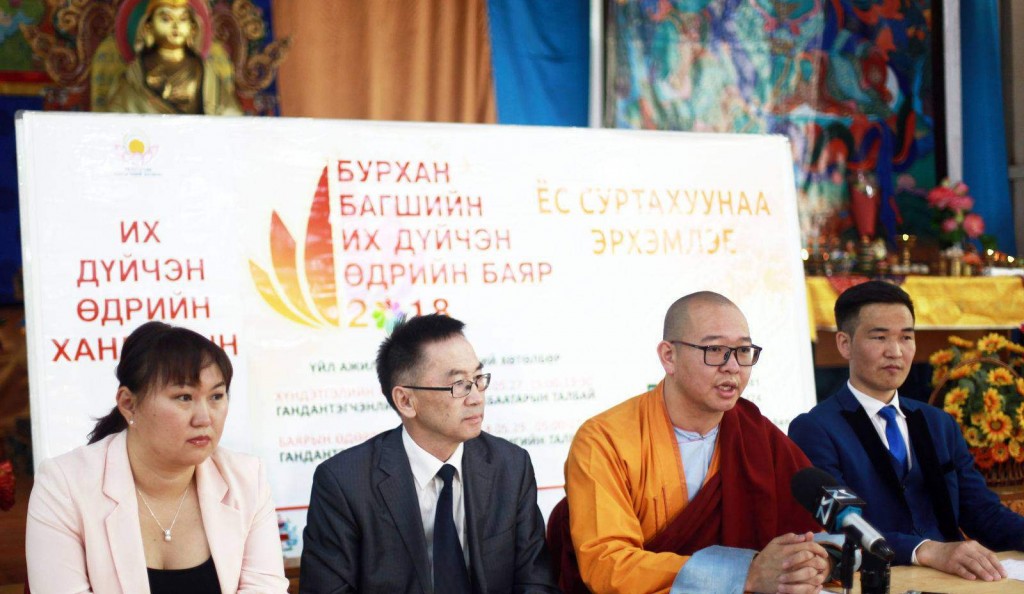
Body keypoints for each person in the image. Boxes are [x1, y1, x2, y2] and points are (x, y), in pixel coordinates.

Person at [563, 291, 831, 594]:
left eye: (743, 351)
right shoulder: (605, 440)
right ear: (669, 357)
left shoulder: (756, 435)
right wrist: (744, 575)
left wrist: (817, 563)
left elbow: (820, 533)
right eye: (715, 349)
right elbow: (607, 564)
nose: (732, 367)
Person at [300, 313, 558, 593]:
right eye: (459, 385)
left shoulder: (510, 465)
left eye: (478, 379)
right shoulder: (344, 483)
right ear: (406, 401)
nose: (476, 398)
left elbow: (535, 581)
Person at [25, 321, 288, 593]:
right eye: (184, 397)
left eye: (216, 396)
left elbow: (265, 587)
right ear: (129, 404)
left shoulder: (247, 479)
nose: (204, 418)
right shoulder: (64, 485)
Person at [789, 280, 1024, 581]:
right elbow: (839, 526)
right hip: (875, 580)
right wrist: (924, 549)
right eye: (880, 337)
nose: (895, 351)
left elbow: (983, 513)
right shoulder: (814, 429)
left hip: (956, 581)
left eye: (906, 337)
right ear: (844, 344)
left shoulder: (939, 423)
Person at [94, 0, 242, 115]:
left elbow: (231, 117)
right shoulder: (135, 76)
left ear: (193, 28)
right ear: (148, 27)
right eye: (166, 19)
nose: (176, 26)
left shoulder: (204, 72)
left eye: (183, 19)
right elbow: (115, 119)